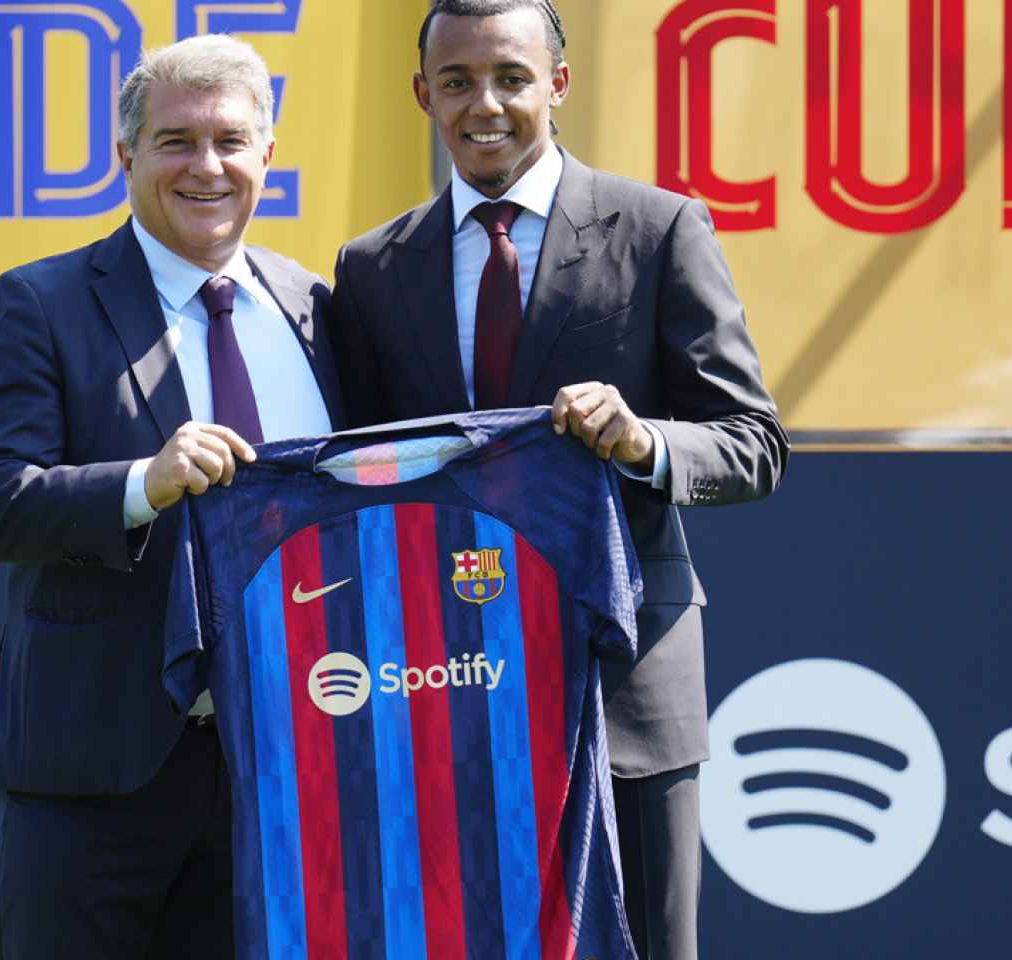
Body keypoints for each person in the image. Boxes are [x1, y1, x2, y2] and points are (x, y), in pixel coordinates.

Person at [328, 2, 787, 957]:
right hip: (442, 682)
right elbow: (359, 480)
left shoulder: (660, 228)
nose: (483, 104)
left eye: (510, 77)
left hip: (625, 682)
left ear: (559, 85)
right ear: (424, 95)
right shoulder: (371, 269)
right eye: (455, 82)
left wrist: (640, 441)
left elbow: (752, 445)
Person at [0, 34, 342, 959]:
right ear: (124, 157)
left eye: (230, 141)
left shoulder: (320, 307)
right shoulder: (38, 302)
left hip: (284, 766)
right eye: (175, 141)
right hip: (97, 771)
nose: (205, 166)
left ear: (267, 158)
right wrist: (141, 484)